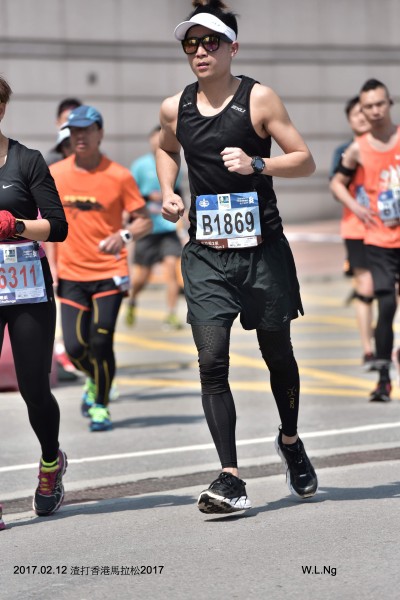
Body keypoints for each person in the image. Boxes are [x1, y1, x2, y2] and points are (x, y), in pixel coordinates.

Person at [156, 0, 318, 514]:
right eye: (191, 44)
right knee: (211, 361)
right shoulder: (174, 107)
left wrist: (257, 164)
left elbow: (305, 161)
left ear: (232, 47)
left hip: (262, 252)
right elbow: (166, 148)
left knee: (278, 355)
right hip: (207, 254)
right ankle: (230, 476)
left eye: (211, 42)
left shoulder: (259, 99)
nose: (200, 51)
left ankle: (290, 440)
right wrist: (168, 191)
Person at [49, 105, 152, 432]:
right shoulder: (56, 173)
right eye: (74, 130)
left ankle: (100, 406)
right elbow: (48, 223)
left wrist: (123, 235)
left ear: (100, 133)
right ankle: (96, 378)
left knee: (101, 342)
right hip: (71, 274)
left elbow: (143, 221)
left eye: (87, 130)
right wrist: (51, 267)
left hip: (109, 272)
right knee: (75, 348)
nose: (80, 136)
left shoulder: (119, 175)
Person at [0, 75, 69, 524]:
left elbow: (58, 227)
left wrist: (17, 226)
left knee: (34, 389)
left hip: (26, 287)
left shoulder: (26, 160)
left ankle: (50, 462)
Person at [330, 79, 400, 403]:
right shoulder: (357, 148)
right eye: (368, 106)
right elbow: (337, 183)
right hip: (378, 239)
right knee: (386, 303)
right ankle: (383, 377)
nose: (374, 111)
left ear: (389, 103)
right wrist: (356, 207)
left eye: (379, 104)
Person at [330, 96, 375, 371]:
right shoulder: (345, 150)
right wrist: (357, 207)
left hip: (390, 229)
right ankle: (368, 350)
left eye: (364, 111)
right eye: (355, 113)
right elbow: (336, 187)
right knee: (365, 287)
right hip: (357, 229)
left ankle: (387, 340)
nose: (361, 117)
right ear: (349, 120)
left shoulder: (389, 145)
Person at [126, 125, 184, 330]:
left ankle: (171, 314)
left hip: (168, 229)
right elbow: (130, 195)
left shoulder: (174, 163)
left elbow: (179, 192)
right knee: (141, 277)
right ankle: (132, 300)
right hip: (148, 229)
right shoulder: (140, 166)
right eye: (154, 138)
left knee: (172, 270)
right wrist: (147, 197)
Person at [45, 97, 82, 166]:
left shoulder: (94, 160)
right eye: (67, 120)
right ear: (58, 123)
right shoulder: (49, 163)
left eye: (76, 120)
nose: (71, 126)